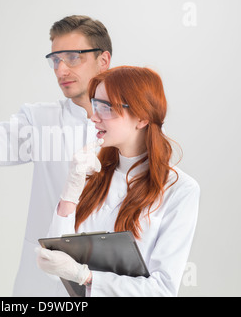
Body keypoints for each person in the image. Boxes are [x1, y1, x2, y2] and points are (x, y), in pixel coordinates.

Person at [0, 15, 112, 296]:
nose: (61, 69)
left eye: (73, 57)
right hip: (43, 284)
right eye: (55, 60)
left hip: (107, 277)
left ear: (103, 60)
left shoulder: (131, 123)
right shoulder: (41, 119)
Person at [36, 66, 200, 297]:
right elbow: (55, 265)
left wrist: (86, 276)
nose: (93, 116)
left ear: (142, 117)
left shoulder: (180, 189)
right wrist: (70, 194)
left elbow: (162, 291)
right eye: (95, 105)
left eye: (106, 107)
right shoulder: (91, 173)